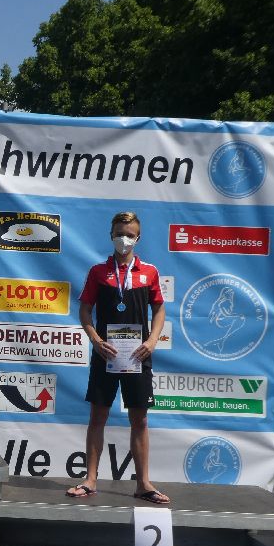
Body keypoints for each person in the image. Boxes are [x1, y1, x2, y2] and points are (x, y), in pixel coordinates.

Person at [66, 211, 170, 504]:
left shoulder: (149, 272)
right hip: (106, 354)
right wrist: (96, 340)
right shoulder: (98, 272)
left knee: (140, 419)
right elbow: (85, 310)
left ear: (138, 238)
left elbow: (159, 309)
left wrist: (152, 340)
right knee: (98, 416)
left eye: (130, 235)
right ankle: (90, 480)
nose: (124, 239)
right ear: (111, 235)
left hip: (137, 355)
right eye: (120, 234)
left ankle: (143, 484)